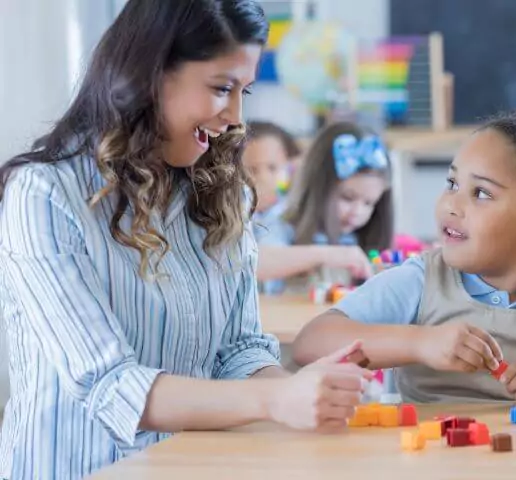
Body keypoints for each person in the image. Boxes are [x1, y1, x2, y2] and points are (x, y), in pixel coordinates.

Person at [0, 2, 370, 478]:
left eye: (244, 92)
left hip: (189, 466)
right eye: (221, 88)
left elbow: (239, 349)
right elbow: (112, 386)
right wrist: (276, 398)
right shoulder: (45, 194)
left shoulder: (222, 189)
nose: (236, 117)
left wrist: (302, 390)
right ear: (150, 74)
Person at [293, 103, 516, 406]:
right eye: (452, 184)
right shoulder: (421, 281)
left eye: (482, 193)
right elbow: (311, 343)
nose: (451, 205)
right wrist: (420, 343)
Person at [257, 121, 394, 294]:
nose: (357, 212)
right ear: (318, 188)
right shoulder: (285, 227)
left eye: (369, 203)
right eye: (347, 198)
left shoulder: (360, 239)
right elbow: (255, 263)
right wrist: (328, 255)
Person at [242, 120, 300, 243]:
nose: (264, 179)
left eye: (272, 167)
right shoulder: (236, 213)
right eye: (252, 169)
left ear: (290, 167)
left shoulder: (293, 210)